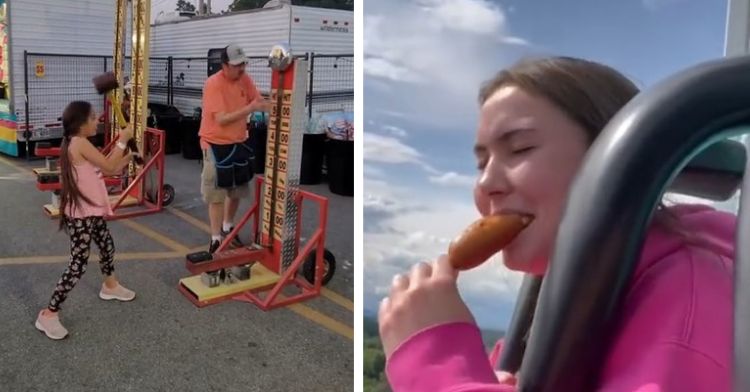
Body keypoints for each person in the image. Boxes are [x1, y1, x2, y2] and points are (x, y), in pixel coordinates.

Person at [378, 57, 736, 391]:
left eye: (519, 149)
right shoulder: (577, 292)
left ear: (610, 158)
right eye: (481, 163)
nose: (486, 184)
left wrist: (438, 366)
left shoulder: (690, 302)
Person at [35, 101, 139, 340]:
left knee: (106, 246)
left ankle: (110, 286)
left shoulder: (79, 143)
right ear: (81, 124)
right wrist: (123, 139)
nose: (97, 121)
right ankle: (49, 313)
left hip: (90, 211)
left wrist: (130, 157)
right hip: (81, 215)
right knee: (78, 264)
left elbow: (107, 168)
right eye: (93, 118)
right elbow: (110, 167)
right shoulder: (79, 143)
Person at [199, 44, 270, 253]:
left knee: (237, 188)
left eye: (244, 64)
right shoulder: (213, 84)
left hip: (238, 141)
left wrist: (281, 105)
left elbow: (258, 101)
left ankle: (228, 226)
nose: (242, 69)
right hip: (214, 143)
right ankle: (215, 238)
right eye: (237, 65)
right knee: (216, 192)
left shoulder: (244, 79)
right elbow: (221, 120)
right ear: (224, 65)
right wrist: (250, 108)